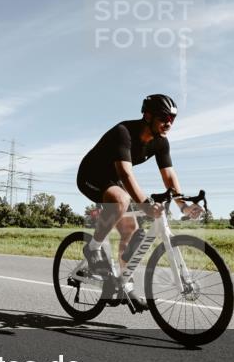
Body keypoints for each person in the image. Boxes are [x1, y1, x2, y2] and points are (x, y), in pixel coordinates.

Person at [76, 94, 204, 311]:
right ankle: (93, 247)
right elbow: (126, 175)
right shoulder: (123, 132)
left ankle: (124, 283)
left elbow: (169, 176)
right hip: (91, 175)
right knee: (121, 199)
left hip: (113, 178)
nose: (169, 123)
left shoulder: (160, 142)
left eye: (173, 118)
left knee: (131, 230)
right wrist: (145, 204)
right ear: (147, 115)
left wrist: (183, 204)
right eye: (164, 117)